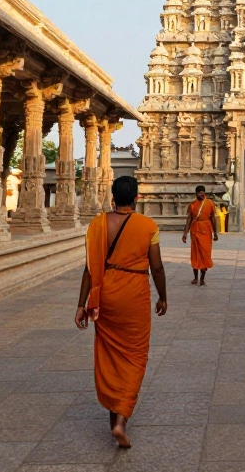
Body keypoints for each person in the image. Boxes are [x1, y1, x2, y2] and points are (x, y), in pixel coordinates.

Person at [74, 175, 167, 448]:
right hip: (135, 293)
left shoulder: (97, 224)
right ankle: (121, 421)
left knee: (109, 354)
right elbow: (157, 267)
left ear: (113, 197)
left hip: (106, 294)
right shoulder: (148, 225)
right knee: (136, 356)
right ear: (136, 198)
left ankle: (113, 415)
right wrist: (163, 296)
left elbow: (90, 268)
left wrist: (81, 304)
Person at [182, 185, 220, 286]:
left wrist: (215, 233)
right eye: (199, 192)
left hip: (206, 230)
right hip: (195, 230)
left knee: (205, 254)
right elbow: (189, 219)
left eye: (202, 192)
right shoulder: (192, 205)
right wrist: (185, 234)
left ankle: (202, 278)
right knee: (195, 253)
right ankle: (195, 277)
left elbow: (213, 219)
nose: (201, 194)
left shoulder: (209, 203)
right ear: (196, 194)